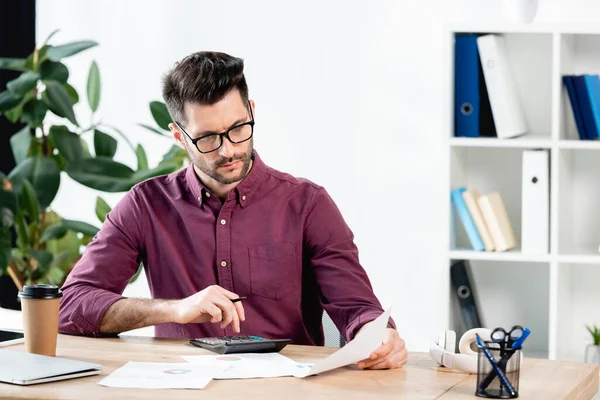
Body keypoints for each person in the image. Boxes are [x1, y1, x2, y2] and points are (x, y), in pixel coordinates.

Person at [58, 51, 407, 370]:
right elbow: (71, 306)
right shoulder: (145, 205)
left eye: (239, 129)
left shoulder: (307, 204)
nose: (228, 150)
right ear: (179, 137)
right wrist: (174, 309)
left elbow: (357, 307)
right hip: (181, 387)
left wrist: (377, 336)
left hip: (288, 389)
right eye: (208, 138)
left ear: (251, 111)